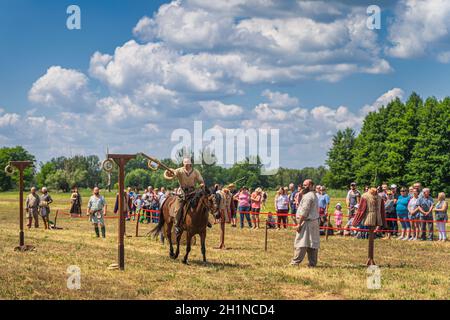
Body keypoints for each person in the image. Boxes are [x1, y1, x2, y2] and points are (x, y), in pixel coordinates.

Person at [163, 157, 205, 235]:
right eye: (185, 164)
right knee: (178, 208)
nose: (186, 166)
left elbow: (201, 180)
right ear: (183, 164)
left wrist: (201, 183)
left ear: (190, 164)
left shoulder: (195, 172)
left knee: (203, 204)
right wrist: (169, 172)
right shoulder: (179, 170)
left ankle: (205, 221)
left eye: (188, 164)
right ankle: (177, 225)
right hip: (182, 192)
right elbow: (172, 175)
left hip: (193, 192)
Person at [352, 187, 387, 265]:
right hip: (369, 217)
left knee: (372, 237)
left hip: (377, 218)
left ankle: (371, 258)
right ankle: (370, 258)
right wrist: (355, 222)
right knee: (370, 236)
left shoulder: (380, 197)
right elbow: (361, 209)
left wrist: (384, 222)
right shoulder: (365, 196)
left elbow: (382, 211)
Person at [290, 179, 320, 267]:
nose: (303, 187)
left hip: (307, 222)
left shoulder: (308, 196)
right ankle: (312, 263)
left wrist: (299, 224)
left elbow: (304, 211)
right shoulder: (312, 195)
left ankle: (295, 263)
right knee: (312, 244)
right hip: (313, 222)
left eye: (306, 185)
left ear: (311, 186)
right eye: (303, 185)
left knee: (301, 243)